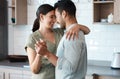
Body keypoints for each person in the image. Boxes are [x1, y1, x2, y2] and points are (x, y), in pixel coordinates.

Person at [25, 3, 89, 79]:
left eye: (55, 17)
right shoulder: (33, 38)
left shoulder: (59, 32)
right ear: (41, 17)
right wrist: (40, 54)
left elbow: (87, 31)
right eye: (51, 17)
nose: (55, 20)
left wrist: (77, 26)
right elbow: (34, 70)